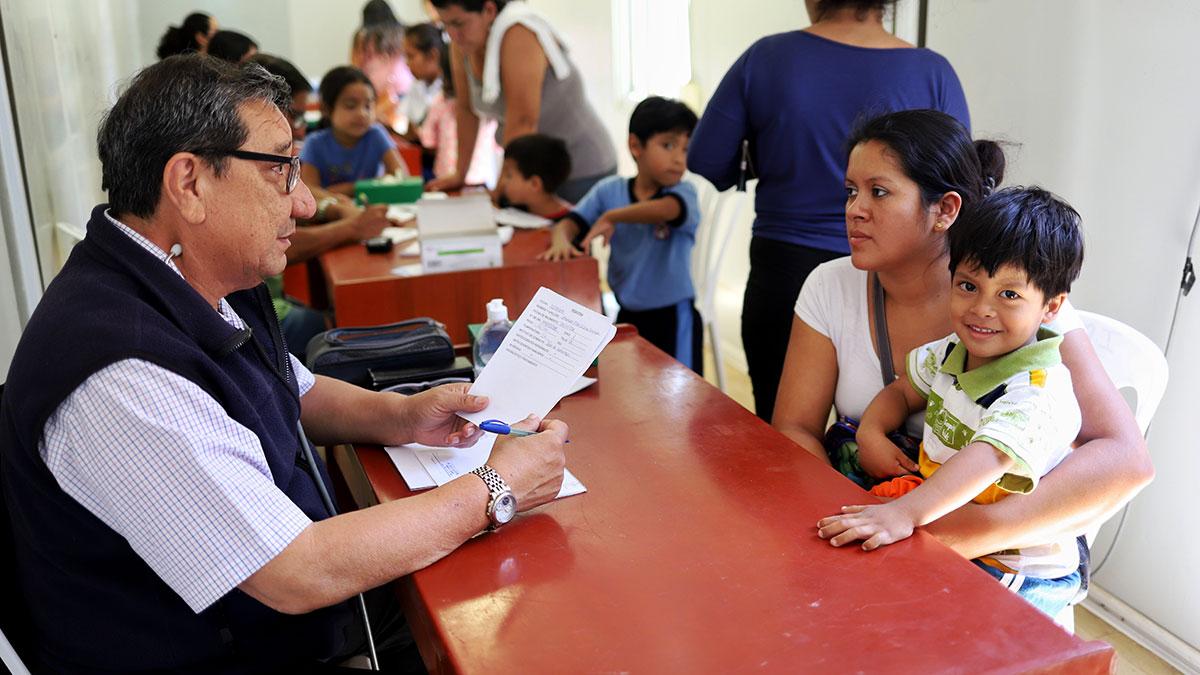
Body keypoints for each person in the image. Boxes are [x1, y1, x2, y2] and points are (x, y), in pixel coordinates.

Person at [0, 54, 567, 673]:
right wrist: (496, 487)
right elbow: (296, 570)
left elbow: (290, 388)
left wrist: (403, 416)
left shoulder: (196, 275)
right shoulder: (119, 377)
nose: (304, 204)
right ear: (190, 184)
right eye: (279, 170)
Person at [773, 109, 1153, 586]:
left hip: (996, 544)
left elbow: (1127, 462)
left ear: (945, 211)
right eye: (851, 191)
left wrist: (958, 535)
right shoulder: (830, 286)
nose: (854, 209)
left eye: (880, 191)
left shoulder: (1020, 310)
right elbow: (795, 427)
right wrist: (848, 513)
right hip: (885, 509)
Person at [688, 0, 970, 422]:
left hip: (786, 262)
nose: (855, 208)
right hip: (905, 274)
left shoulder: (766, 58)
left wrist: (772, 159)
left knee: (780, 431)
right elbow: (960, 173)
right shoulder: (932, 70)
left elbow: (707, 158)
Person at [818, 187, 1087, 618]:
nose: (982, 308)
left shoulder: (1036, 389)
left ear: (1051, 306)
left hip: (1013, 564)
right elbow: (902, 390)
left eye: (1009, 295)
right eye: (968, 285)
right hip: (941, 510)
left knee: (899, 609)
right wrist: (870, 431)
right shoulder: (951, 350)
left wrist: (903, 513)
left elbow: (989, 457)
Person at [539, 96, 702, 374]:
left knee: (681, 399)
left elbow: (667, 210)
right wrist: (561, 239)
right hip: (628, 314)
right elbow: (571, 222)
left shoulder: (682, 194)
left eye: (686, 149)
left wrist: (613, 216)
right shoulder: (609, 190)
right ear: (635, 145)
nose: (679, 159)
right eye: (669, 145)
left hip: (673, 317)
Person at [426, 0, 617, 202]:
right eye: (444, 24)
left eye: (458, 23)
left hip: (580, 167)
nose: (453, 34)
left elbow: (522, 122)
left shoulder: (518, 32)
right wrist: (460, 174)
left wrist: (501, 190)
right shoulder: (461, 45)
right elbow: (466, 110)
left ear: (489, 10)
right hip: (535, 171)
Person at [300, 66, 406, 200]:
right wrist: (370, 186)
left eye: (368, 106)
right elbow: (310, 191)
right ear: (326, 109)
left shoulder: (376, 134)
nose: (362, 114)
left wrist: (348, 189)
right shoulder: (315, 143)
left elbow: (400, 175)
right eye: (351, 105)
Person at [351, 1, 414, 130]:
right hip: (405, 88)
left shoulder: (362, 37)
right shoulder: (404, 32)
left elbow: (355, 68)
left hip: (376, 93)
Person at [496, 133, 573, 219]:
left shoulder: (572, 222)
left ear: (534, 184)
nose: (502, 182)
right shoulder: (515, 206)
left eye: (509, 176)